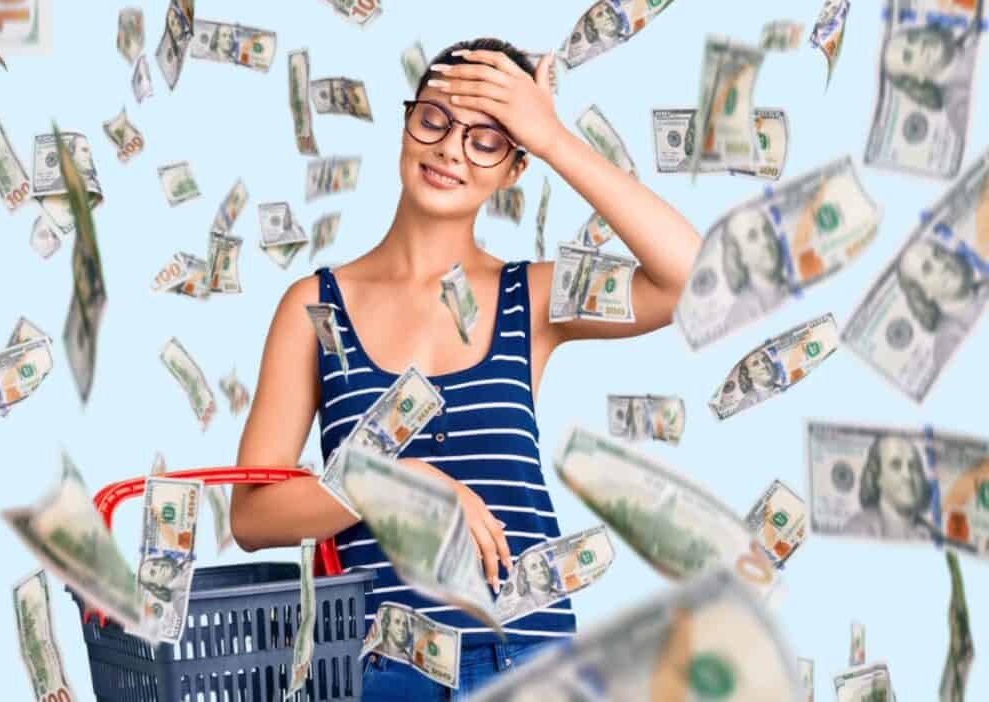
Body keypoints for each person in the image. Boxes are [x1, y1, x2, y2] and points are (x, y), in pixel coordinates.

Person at [231, 36, 700, 701]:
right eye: (436, 119)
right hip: (378, 666)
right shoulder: (314, 307)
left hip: (528, 656)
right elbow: (251, 516)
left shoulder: (533, 298)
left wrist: (552, 136)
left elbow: (691, 280)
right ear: (406, 123)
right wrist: (393, 483)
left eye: (487, 138)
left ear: (514, 167)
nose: (452, 148)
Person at [897, 238, 989, 371]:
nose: (941, 265)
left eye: (938, 254)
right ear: (924, 293)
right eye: (927, 269)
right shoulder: (949, 343)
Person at [842, 435, 935, 541]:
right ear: (877, 477)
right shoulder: (858, 529)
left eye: (913, 466)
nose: (908, 475)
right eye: (895, 465)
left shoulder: (932, 534)